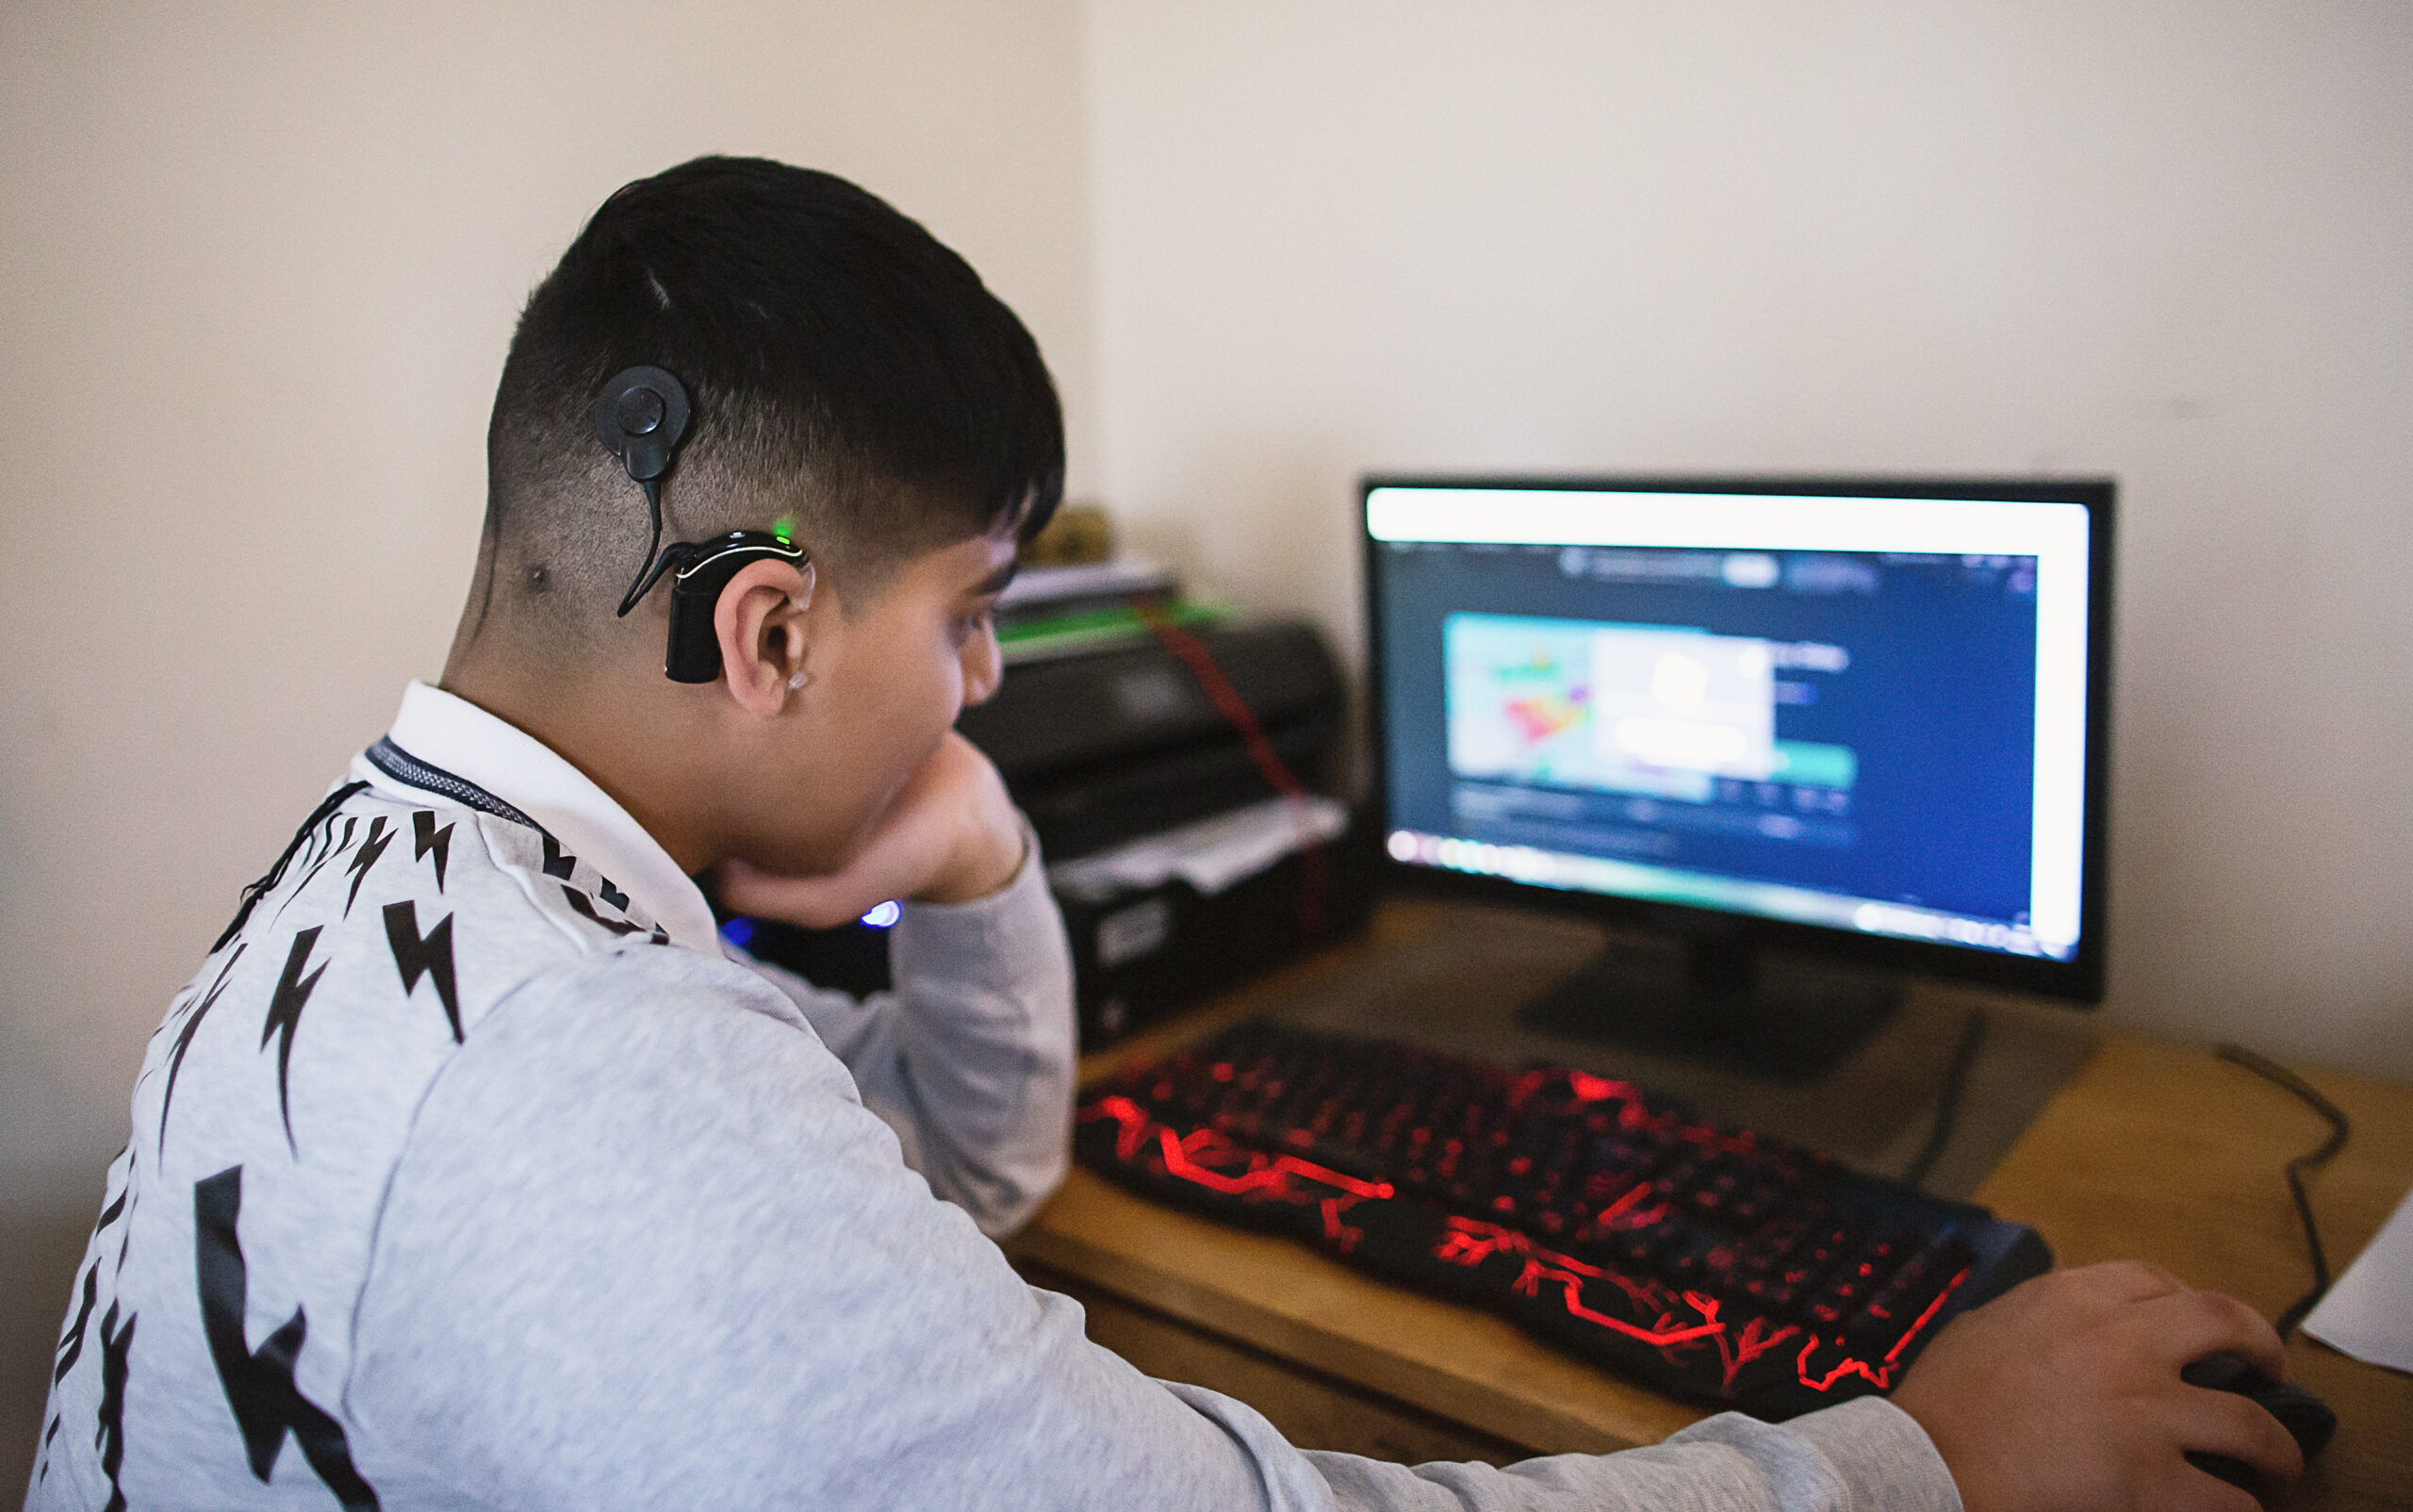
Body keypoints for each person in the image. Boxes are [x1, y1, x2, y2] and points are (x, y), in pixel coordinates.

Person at [29, 156, 2305, 1512]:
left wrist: (980, 865)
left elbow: (953, 1181)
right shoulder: (599, 1092)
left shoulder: (374, 898)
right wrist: (1913, 1460)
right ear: (767, 625)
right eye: (969, 611)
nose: (984, 679)